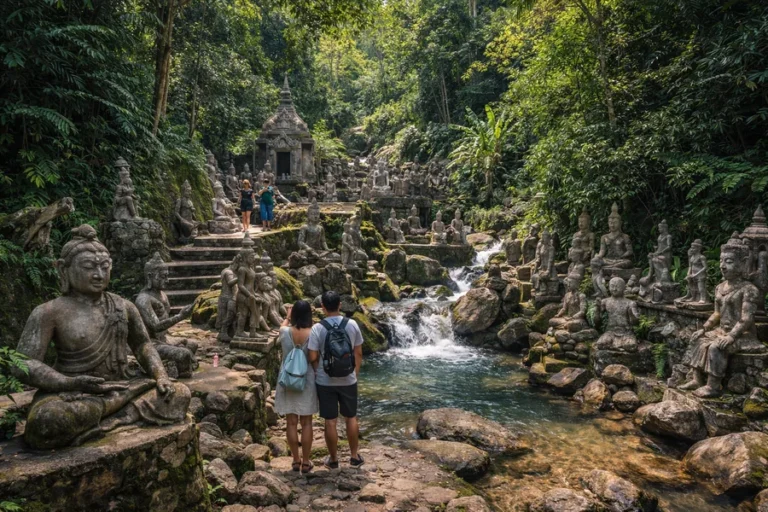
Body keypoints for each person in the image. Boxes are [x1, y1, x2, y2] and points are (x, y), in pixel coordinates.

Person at [308, 291, 365, 469]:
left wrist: (319, 371)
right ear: (340, 305)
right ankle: (354, 456)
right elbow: (359, 353)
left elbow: (312, 356)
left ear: (323, 307)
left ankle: (333, 459)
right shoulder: (352, 324)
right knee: (351, 417)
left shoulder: (318, 328)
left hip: (325, 381)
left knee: (330, 421)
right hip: (349, 379)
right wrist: (354, 372)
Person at [274, 300, 319, 474]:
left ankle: (295, 460)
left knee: (291, 422)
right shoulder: (314, 332)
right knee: (307, 423)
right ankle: (306, 462)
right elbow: (315, 358)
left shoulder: (285, 332)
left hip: (287, 379)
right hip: (306, 379)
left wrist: (287, 317)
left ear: (293, 315)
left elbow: (282, 326)